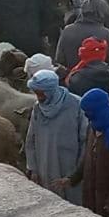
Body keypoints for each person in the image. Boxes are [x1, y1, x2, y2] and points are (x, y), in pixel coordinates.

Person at [55, 88, 109, 217]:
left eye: (90, 112)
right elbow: (88, 157)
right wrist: (72, 178)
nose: (87, 116)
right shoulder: (93, 127)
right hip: (92, 195)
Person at [25, 69, 89, 205]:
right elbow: (31, 140)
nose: (38, 97)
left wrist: (76, 175)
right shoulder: (38, 108)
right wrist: (33, 169)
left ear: (50, 91)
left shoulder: (77, 105)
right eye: (36, 93)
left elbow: (85, 141)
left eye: (41, 94)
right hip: (44, 168)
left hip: (69, 169)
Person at [55, 0, 109, 69]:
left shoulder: (67, 30)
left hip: (71, 77)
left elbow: (59, 59)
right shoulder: (105, 33)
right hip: (98, 77)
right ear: (102, 14)